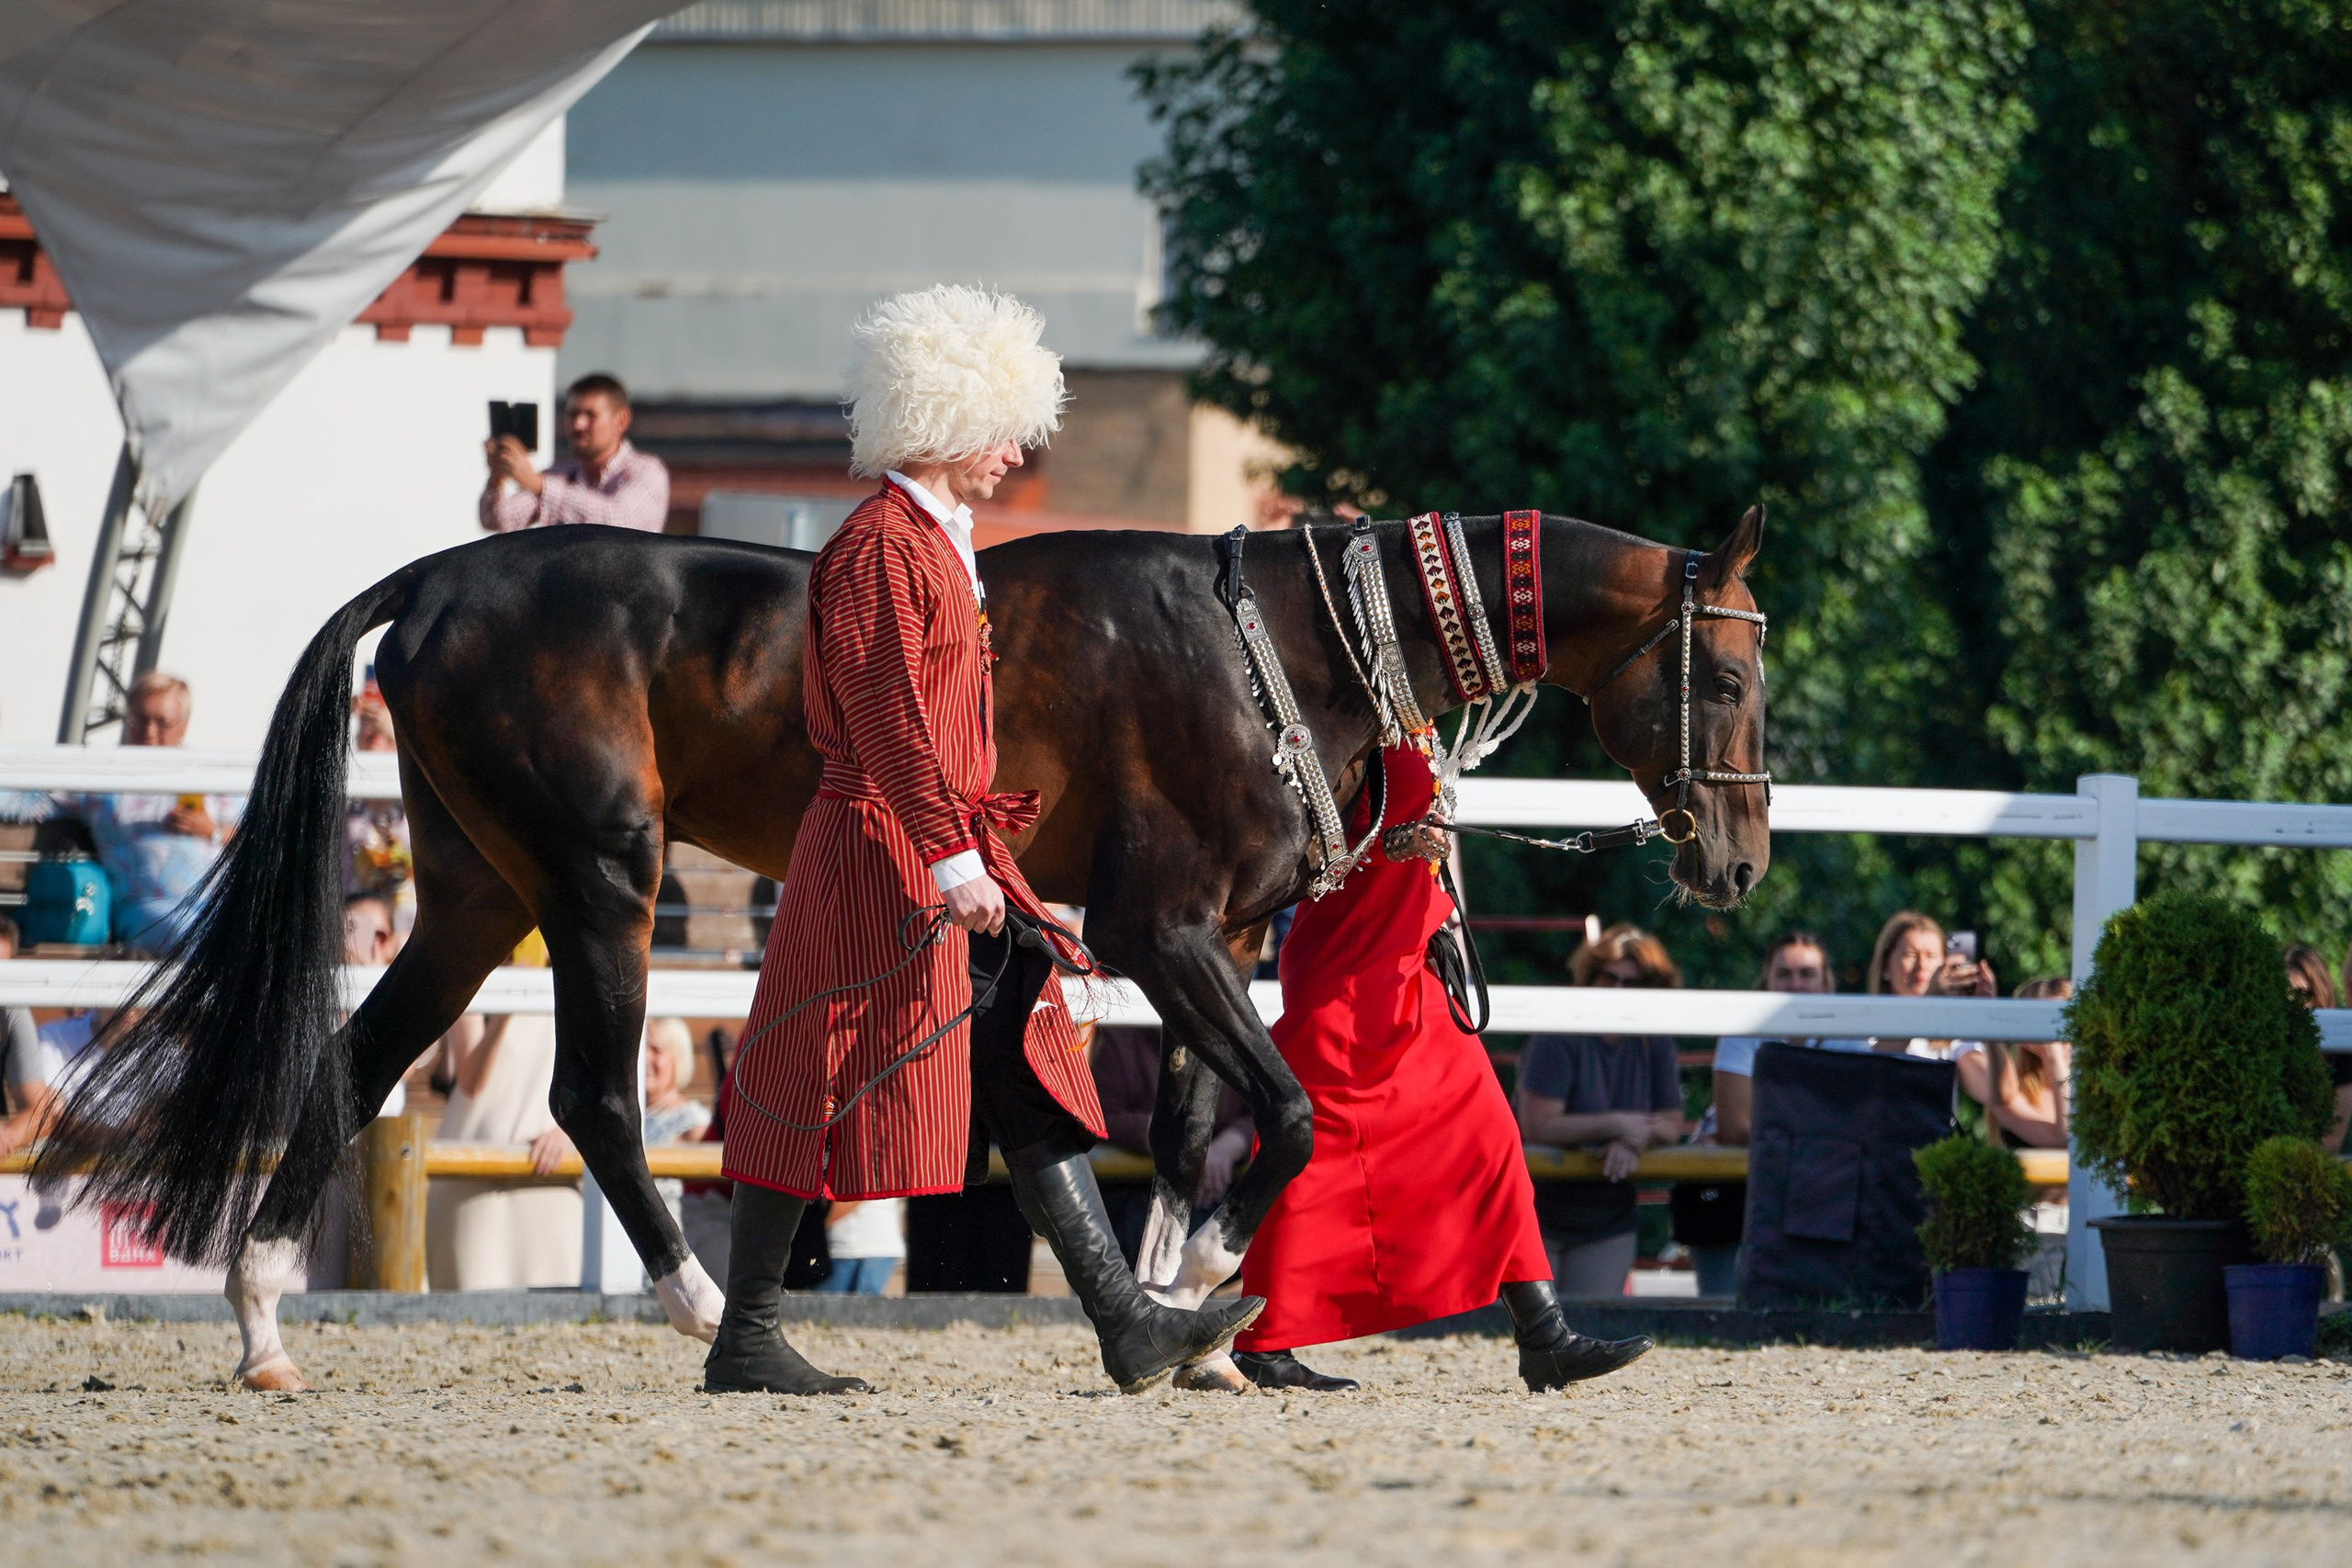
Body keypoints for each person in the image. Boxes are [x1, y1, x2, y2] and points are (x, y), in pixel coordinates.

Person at [714, 285, 1261, 1396]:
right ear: (944, 419)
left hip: (935, 843)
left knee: (1021, 1062)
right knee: (811, 1065)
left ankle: (1124, 1320)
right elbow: (884, 716)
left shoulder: (935, 543)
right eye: (1001, 429)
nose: (1016, 453)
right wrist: (951, 856)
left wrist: (973, 854)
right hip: (881, 850)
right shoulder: (879, 548)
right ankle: (747, 1332)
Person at [1230, 745, 1653, 1392]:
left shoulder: (1422, 724)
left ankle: (1544, 1334)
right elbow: (1289, 842)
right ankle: (1264, 1341)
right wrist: (1390, 846)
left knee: (1490, 1134)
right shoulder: (1339, 711)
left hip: (1409, 960)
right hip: (1345, 962)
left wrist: (1438, 912)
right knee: (1307, 1149)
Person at [1690, 931, 1870, 1295]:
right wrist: (1819, 1134)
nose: (1796, 984)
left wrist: (1767, 1129)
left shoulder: (1852, 1034)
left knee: (1808, 1308)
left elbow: (1857, 1125)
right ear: (1767, 982)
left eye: (1807, 974)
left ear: (1827, 983)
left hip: (1819, 1194)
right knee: (1722, 1308)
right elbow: (1734, 1128)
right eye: (1784, 974)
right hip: (1732, 1195)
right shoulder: (1743, 1028)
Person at [1516, 923, 1687, 1298]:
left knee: (1592, 1324)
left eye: (1633, 982)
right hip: (1533, 1212)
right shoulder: (1557, 1034)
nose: (1618, 990)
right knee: (1524, 1327)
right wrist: (1617, 1125)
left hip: (1608, 1217)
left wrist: (1632, 1137)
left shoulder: (1655, 1041)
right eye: (1609, 978)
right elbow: (1539, 1125)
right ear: (1589, 979)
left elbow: (1673, 1124)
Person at [23, 673, 243, 954]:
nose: (149, 732)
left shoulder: (209, 778)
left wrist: (211, 830)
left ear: (184, 725)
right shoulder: (104, 783)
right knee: (199, 937)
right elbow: (31, 799)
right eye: (140, 720)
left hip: (215, 903)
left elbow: (261, 839)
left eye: (162, 722)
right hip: (144, 910)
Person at [424, 933, 581, 1291]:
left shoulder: (576, 984)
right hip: (472, 1177)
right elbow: (470, 1081)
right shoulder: (468, 975)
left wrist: (567, 1132)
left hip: (549, 1177)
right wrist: (509, 1003)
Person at [479, 371, 671, 534]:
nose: (578, 424)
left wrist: (539, 485)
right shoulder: (561, 476)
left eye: (590, 415)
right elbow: (497, 520)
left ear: (621, 420)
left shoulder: (648, 471)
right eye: (572, 415)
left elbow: (620, 522)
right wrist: (497, 475)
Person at [1956, 976, 2073, 1148]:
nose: (2059, 1030)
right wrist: (2054, 1057)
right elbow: (2069, 1141)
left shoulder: (2100, 1082)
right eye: (2046, 1021)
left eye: (2066, 1017)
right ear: (2023, 1037)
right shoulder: (2007, 1091)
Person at [1865, 910, 1995, 1061]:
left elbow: (1994, 1077)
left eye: (1931, 956)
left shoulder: (1953, 1037)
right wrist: (1928, 1004)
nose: (1922, 965)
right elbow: (1872, 1066)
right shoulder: (1862, 1028)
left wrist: (1990, 1017)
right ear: (1885, 966)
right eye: (1911, 955)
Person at [813, 1197, 905, 1295]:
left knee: (829, 1302)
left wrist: (812, 1227)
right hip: (842, 1247)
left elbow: (854, 1197)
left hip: (870, 1249)